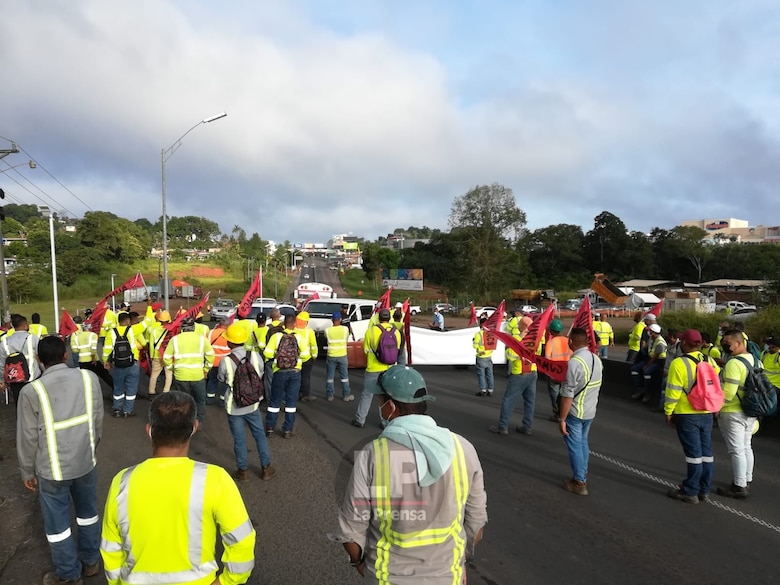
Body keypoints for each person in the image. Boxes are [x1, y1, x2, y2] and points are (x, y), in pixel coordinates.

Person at [337, 365, 487, 584]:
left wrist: (359, 563)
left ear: (390, 406)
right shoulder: (463, 448)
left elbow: (351, 531)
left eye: (380, 401)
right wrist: (456, 563)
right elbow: (476, 525)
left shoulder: (372, 454)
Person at [100, 391, 255, 584]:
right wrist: (227, 581)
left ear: (149, 430)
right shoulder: (215, 479)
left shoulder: (122, 481)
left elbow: (111, 549)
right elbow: (243, 541)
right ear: (194, 428)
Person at [17, 336, 103, 584]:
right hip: (86, 462)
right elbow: (97, 419)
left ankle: (68, 573)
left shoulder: (32, 391)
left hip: (51, 471)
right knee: (88, 514)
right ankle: (90, 562)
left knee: (58, 526)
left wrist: (26, 471)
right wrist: (92, 448)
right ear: (66, 356)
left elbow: (27, 437)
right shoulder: (89, 379)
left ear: (38, 360)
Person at [664, 329, 719, 504]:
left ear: (686, 344)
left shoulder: (679, 363)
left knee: (693, 454)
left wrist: (668, 412)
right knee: (706, 453)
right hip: (707, 411)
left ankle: (690, 491)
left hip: (687, 413)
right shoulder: (709, 360)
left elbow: (673, 391)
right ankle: (704, 489)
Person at [218, 324, 276, 482]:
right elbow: (260, 374)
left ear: (229, 343)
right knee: (259, 436)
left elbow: (221, 379)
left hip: (234, 406)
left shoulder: (226, 361)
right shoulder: (255, 356)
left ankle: (242, 472)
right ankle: (266, 468)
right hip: (253, 404)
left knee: (239, 439)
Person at [559, 328, 603, 496]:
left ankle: (579, 481)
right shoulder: (596, 359)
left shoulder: (575, 362)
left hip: (576, 412)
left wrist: (562, 418)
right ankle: (581, 474)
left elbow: (567, 394)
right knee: (583, 443)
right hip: (590, 410)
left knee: (575, 445)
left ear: (571, 342)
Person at [716, 329, 759, 499]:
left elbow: (728, 393)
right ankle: (747, 479)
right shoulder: (756, 361)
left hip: (733, 412)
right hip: (750, 411)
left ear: (739, 343)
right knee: (746, 447)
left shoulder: (734, 364)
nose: (725, 346)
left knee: (736, 450)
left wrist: (717, 409)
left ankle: (739, 486)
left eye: (728, 343)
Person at [351, 308, 401, 428]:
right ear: (389, 318)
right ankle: (385, 422)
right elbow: (397, 350)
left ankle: (360, 419)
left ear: (379, 318)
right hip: (389, 368)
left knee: (367, 394)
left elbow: (366, 350)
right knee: (385, 396)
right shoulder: (396, 332)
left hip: (373, 367)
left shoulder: (371, 331)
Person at [490, 316, 537, 436]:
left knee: (509, 400)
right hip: (532, 372)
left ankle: (503, 426)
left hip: (519, 373)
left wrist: (519, 340)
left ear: (521, 326)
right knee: (529, 402)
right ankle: (528, 426)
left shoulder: (516, 338)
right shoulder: (535, 338)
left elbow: (510, 355)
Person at [163, 318, 215, 426]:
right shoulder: (202, 339)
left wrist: (173, 368)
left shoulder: (175, 340)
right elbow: (211, 355)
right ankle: (198, 423)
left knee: (183, 402)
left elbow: (166, 357)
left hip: (181, 376)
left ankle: (185, 422)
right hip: (198, 376)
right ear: (194, 328)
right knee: (200, 401)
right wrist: (206, 369)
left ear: (182, 329)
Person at [264, 313, 306, 438]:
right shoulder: (299, 337)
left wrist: (277, 357)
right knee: (291, 402)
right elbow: (306, 354)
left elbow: (267, 353)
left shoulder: (276, 337)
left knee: (275, 400)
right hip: (295, 372)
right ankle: (287, 429)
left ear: (283, 323)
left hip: (279, 371)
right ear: (294, 324)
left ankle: (270, 427)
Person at [103, 311, 144, 418]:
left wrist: (105, 361)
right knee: (131, 387)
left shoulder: (111, 333)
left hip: (118, 364)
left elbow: (107, 349)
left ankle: (117, 409)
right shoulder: (133, 330)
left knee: (118, 387)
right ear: (128, 321)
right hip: (132, 363)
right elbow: (147, 322)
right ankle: (128, 411)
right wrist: (149, 306)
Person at [0, 313, 42, 409]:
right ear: (25, 325)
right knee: (36, 407)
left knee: (20, 408)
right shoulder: (33, 338)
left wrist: (2, 381)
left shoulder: (4, 343)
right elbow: (40, 358)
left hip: (15, 381)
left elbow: (1, 365)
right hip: (33, 378)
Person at [71, 321, 115, 392]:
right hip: (93, 360)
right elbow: (93, 348)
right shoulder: (93, 335)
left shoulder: (77, 337)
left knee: (87, 379)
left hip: (82, 361)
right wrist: (93, 358)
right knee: (105, 376)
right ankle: (116, 390)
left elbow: (75, 350)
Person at [544, 319, 572, 421]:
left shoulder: (550, 343)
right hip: (566, 371)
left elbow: (547, 360)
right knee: (565, 392)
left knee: (554, 393)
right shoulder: (567, 340)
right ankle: (565, 412)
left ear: (551, 330)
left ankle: (557, 414)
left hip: (554, 372)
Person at [631, 323, 666, 403]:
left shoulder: (660, 343)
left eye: (650, 331)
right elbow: (646, 348)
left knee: (647, 372)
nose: (649, 333)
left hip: (658, 362)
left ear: (654, 332)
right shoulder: (651, 339)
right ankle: (639, 390)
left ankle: (648, 393)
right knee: (634, 370)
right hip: (649, 359)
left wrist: (646, 366)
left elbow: (655, 357)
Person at [325, 312, 353, 401]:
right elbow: (348, 336)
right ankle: (346, 395)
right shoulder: (345, 329)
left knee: (330, 377)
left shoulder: (327, 330)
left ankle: (330, 395)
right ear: (340, 319)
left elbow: (326, 338)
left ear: (332, 320)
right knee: (344, 376)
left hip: (331, 355)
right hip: (342, 355)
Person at [147, 310, 173, 397]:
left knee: (154, 374)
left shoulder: (154, 331)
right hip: (168, 355)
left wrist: (151, 355)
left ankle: (151, 391)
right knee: (168, 374)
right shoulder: (171, 331)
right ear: (169, 320)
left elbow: (151, 345)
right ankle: (166, 391)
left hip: (157, 354)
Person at [296, 311, 319, 402]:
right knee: (305, 376)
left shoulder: (293, 330)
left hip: (295, 358)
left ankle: (296, 394)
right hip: (306, 358)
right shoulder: (309, 332)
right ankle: (305, 395)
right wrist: (314, 356)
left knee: (296, 377)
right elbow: (313, 345)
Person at [206, 318, 231, 405]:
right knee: (225, 381)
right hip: (225, 362)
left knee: (212, 380)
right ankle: (222, 400)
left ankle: (209, 398)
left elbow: (206, 346)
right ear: (228, 325)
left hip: (213, 361)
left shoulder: (211, 332)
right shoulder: (229, 334)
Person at [473, 315, 496, 397]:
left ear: (481, 325)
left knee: (481, 374)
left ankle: (483, 390)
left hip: (481, 356)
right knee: (490, 374)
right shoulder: (491, 334)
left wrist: (478, 348)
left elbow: (475, 345)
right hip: (489, 356)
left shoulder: (478, 334)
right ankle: (490, 390)